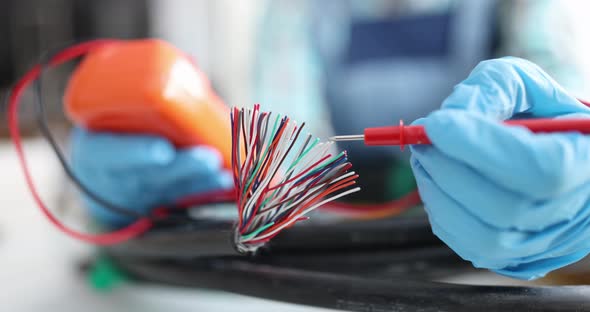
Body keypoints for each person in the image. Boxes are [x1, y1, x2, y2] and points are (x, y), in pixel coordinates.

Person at [71, 1, 590, 280]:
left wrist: (573, 194)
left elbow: (561, 98)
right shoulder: (296, 11)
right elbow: (289, 159)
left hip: (484, 275)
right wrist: (157, 202)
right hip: (340, 242)